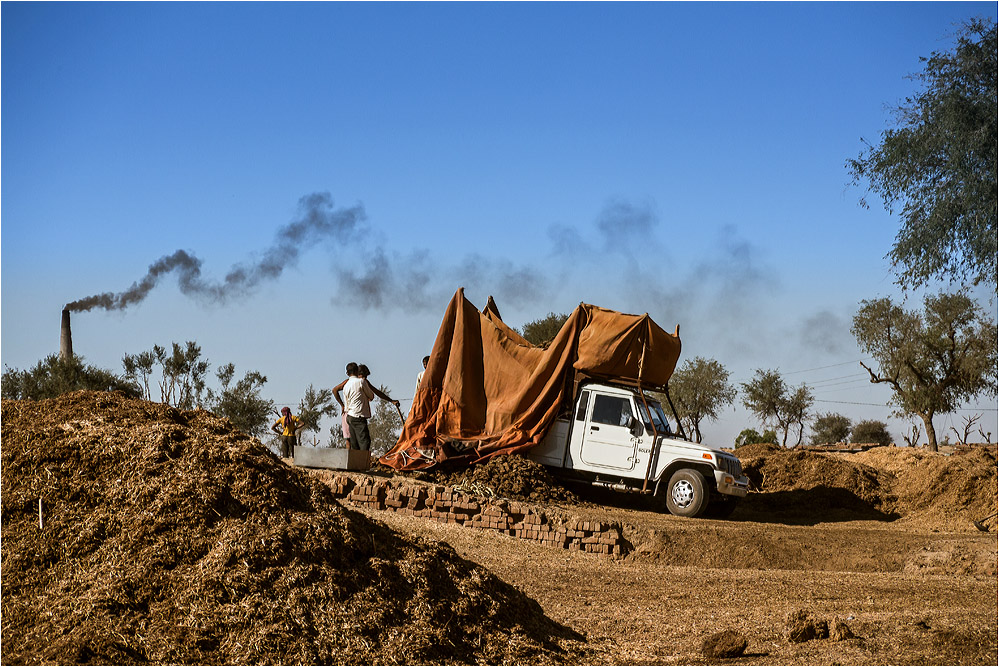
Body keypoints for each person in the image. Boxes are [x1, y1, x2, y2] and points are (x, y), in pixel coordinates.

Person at [333, 362, 399, 451]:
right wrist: (342, 405)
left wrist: (391, 400)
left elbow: (377, 392)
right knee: (357, 441)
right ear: (357, 373)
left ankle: (354, 462)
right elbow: (372, 395)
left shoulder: (357, 382)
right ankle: (358, 462)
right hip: (354, 414)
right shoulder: (358, 382)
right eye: (363, 375)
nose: (365, 378)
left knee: (354, 442)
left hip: (350, 414)